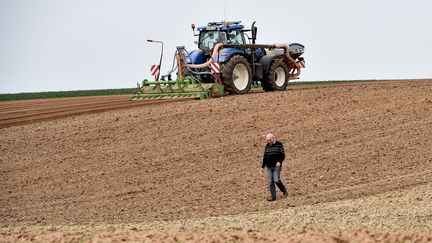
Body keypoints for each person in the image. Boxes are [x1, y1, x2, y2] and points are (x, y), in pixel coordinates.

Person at [261, 133, 288, 201]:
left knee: (276, 180)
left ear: (273, 138)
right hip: (269, 166)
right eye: (267, 140)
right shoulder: (267, 146)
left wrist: (280, 162)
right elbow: (265, 157)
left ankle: (284, 192)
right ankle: (273, 197)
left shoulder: (279, 144)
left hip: (276, 166)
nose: (268, 141)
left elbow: (282, 154)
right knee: (271, 182)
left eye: (269, 140)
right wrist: (262, 167)